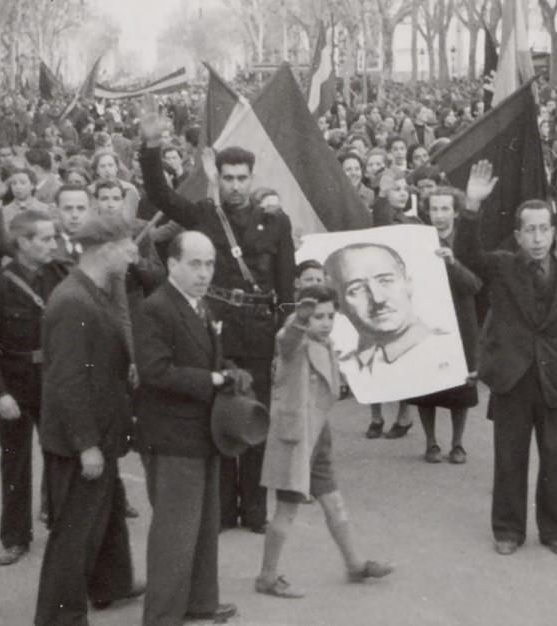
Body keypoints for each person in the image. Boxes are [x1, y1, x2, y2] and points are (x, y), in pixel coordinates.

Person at [140, 114, 296, 534]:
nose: (236, 186)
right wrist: (152, 148)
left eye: (242, 178)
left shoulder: (277, 221)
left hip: (263, 332)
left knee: (257, 415)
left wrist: (285, 334)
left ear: (252, 177)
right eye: (228, 178)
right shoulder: (205, 216)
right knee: (224, 416)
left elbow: (285, 281)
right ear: (219, 179)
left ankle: (254, 510)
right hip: (219, 332)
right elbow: (160, 194)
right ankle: (225, 509)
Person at [454, 197, 557, 558]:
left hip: (554, 381)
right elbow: (468, 255)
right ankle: (508, 529)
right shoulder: (502, 268)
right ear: (517, 235)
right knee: (510, 458)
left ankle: (556, 530)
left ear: (553, 231)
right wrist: (471, 208)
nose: (537, 237)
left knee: (555, 457)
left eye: (544, 228)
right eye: (529, 229)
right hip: (512, 380)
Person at [34, 213, 144, 624]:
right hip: (82, 439)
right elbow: (68, 381)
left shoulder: (94, 290)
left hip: (103, 430)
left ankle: (111, 584)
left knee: (108, 516)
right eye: (128, 243)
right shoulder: (73, 302)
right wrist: (87, 445)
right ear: (105, 249)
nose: (134, 250)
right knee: (74, 535)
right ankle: (60, 618)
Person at [255, 285, 394, 599]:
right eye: (319, 316)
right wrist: (300, 320)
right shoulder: (295, 338)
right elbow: (286, 340)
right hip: (297, 438)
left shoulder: (325, 342)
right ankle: (266, 576)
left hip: (318, 435)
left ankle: (355, 563)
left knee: (334, 502)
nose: (326, 322)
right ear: (304, 314)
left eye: (330, 315)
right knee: (286, 511)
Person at [135, 231, 240, 625]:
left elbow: (202, 356)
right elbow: (155, 371)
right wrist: (212, 380)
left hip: (202, 433)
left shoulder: (200, 305)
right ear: (172, 265)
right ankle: (162, 617)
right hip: (172, 437)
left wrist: (227, 370)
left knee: (203, 526)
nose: (204, 272)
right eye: (195, 264)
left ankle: (200, 603)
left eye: (210, 263)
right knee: (174, 535)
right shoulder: (157, 307)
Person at [0, 209, 67, 566]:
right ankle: (15, 537)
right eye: (45, 238)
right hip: (14, 383)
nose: (52, 245)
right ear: (23, 243)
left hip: (54, 381)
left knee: (60, 456)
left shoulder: (59, 277)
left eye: (53, 237)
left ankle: (62, 525)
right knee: (14, 462)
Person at [406, 187, 482, 464]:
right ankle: (431, 442)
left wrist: (454, 264)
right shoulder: (418, 241)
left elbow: (475, 285)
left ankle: (458, 443)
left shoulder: (466, 241)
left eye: (445, 209)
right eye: (434, 209)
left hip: (461, 324)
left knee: (460, 387)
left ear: (456, 212)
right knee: (428, 387)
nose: (439, 215)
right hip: (428, 323)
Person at [326, 242, 460, 393]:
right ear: (338, 304)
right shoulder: (345, 366)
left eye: (385, 281)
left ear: (408, 284)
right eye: (356, 289)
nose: (378, 299)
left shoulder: (450, 350)